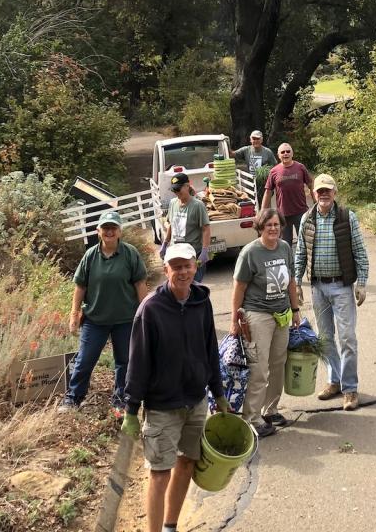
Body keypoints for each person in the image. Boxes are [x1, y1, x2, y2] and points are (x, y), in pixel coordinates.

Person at [125, 243, 228, 532]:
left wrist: (218, 393)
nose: (182, 271)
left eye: (187, 265)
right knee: (159, 473)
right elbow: (138, 361)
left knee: (187, 463)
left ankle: (171, 526)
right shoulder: (151, 309)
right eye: (176, 266)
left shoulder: (201, 301)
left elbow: (210, 349)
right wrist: (131, 410)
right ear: (165, 269)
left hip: (195, 401)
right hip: (162, 406)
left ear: (195, 267)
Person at [294, 174, 370, 411]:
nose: (323, 194)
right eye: (320, 191)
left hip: (341, 286)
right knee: (325, 339)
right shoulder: (307, 218)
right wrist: (296, 283)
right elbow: (300, 254)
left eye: (328, 190)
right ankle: (334, 381)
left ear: (335, 192)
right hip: (318, 287)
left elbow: (360, 251)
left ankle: (350, 389)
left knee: (347, 338)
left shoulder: (347, 217)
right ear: (313, 194)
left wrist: (362, 283)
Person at [61, 210, 148, 411]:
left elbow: (140, 284)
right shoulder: (90, 256)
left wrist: (145, 314)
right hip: (95, 319)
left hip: (125, 319)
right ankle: (73, 398)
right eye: (105, 228)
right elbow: (80, 286)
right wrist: (74, 314)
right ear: (98, 231)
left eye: (113, 228)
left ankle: (121, 399)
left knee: (124, 362)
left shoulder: (130, 254)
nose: (109, 231)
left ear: (119, 231)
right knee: (84, 360)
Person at [230, 209, 301, 438]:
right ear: (260, 227)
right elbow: (239, 287)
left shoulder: (284, 247)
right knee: (259, 368)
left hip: (282, 314)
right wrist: (235, 319)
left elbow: (290, 280)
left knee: (278, 363)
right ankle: (252, 417)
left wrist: (296, 309)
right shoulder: (250, 253)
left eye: (276, 224)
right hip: (257, 315)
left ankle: (270, 409)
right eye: (268, 225)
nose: (273, 228)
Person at [260, 143, 313, 246]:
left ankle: (305, 262)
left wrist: (316, 203)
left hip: (301, 213)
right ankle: (288, 262)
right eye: (282, 152)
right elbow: (268, 192)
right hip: (283, 215)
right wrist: (262, 212)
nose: (285, 154)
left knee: (305, 243)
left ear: (292, 153)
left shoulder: (300, 167)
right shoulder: (274, 171)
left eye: (288, 151)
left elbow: (311, 185)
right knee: (285, 245)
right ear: (278, 155)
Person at [164, 172, 211, 283]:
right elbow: (171, 224)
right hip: (176, 254)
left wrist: (204, 251)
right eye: (174, 190)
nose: (176, 193)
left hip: (192, 256)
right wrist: (165, 243)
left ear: (187, 186)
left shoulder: (197, 206)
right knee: (178, 288)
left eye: (178, 189)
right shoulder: (173, 203)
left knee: (193, 289)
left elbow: (206, 229)